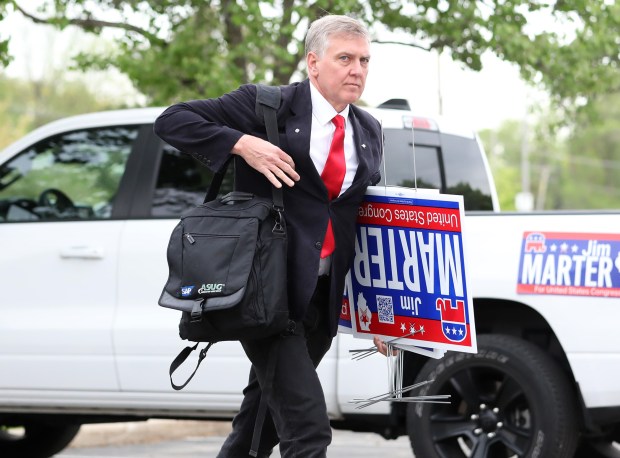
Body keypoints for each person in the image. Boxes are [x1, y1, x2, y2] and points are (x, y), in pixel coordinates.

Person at [154, 14, 383, 458]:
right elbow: (172, 120)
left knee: (259, 427)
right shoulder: (265, 107)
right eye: (345, 58)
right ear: (313, 63)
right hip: (264, 291)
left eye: (364, 60)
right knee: (308, 430)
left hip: (319, 297)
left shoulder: (368, 131)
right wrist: (241, 143)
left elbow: (367, 223)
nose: (357, 69)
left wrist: (378, 310)